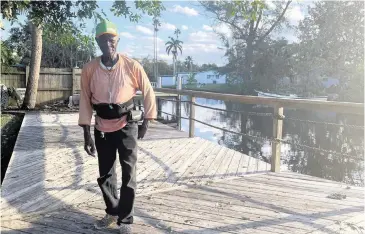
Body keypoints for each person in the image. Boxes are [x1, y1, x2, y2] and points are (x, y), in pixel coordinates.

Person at [78, 20, 156, 234]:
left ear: (117, 41)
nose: (108, 44)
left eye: (111, 40)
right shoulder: (89, 69)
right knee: (106, 173)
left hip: (127, 124)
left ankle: (126, 219)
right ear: (97, 42)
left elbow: (148, 92)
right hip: (102, 126)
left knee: (129, 172)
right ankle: (112, 213)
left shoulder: (132, 66)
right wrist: (86, 134)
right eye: (103, 40)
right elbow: (85, 99)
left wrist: (146, 122)